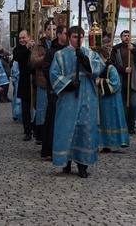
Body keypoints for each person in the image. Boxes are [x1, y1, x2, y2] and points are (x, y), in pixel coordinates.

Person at [49, 26, 104, 178]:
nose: (77, 40)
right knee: (66, 129)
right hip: (68, 97)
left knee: (85, 129)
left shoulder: (90, 53)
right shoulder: (60, 55)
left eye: (80, 37)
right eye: (74, 37)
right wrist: (69, 83)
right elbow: (53, 74)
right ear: (68, 37)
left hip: (87, 97)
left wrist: (85, 61)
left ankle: (82, 165)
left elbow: (100, 68)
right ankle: (65, 161)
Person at [95, 47, 130, 152]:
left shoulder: (111, 68)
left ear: (102, 56)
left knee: (113, 120)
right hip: (101, 99)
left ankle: (114, 142)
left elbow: (115, 83)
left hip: (111, 100)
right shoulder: (97, 68)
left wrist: (99, 82)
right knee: (102, 121)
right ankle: (104, 144)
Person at [41, 24, 68, 157]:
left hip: (68, 91)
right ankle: (50, 149)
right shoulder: (51, 52)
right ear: (59, 35)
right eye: (65, 33)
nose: (67, 36)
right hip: (55, 90)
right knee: (53, 119)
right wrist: (59, 81)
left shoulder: (71, 51)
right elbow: (46, 70)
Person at [31, 20, 55, 144]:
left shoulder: (59, 45)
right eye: (50, 29)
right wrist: (47, 57)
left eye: (55, 29)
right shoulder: (40, 45)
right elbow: (34, 61)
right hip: (43, 82)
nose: (52, 32)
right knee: (42, 110)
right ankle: (40, 134)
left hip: (57, 83)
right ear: (45, 30)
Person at [110, 30, 136, 134]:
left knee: (133, 104)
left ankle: (131, 124)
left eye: (128, 36)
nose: (127, 37)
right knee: (121, 104)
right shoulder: (116, 49)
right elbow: (112, 63)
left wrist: (134, 50)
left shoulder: (134, 48)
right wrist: (123, 69)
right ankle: (122, 125)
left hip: (132, 80)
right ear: (121, 37)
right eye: (125, 36)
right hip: (120, 79)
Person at [12, 30, 36, 141]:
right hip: (24, 82)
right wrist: (26, 47)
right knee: (25, 109)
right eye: (20, 38)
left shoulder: (35, 47)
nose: (22, 40)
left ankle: (36, 129)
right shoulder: (18, 49)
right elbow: (17, 57)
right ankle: (27, 131)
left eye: (24, 37)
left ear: (29, 37)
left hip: (35, 81)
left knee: (37, 107)